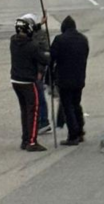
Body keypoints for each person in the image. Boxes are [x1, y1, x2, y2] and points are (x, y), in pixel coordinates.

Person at [10, 16, 50, 152]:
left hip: (15, 81)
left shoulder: (13, 41)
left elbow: (30, 31)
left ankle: (25, 139)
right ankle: (32, 141)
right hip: (28, 81)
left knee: (24, 111)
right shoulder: (31, 46)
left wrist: (39, 24)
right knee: (33, 111)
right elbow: (44, 60)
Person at [50, 16, 89, 146]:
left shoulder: (59, 40)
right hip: (79, 78)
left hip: (64, 79)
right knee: (76, 104)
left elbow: (51, 59)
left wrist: (49, 77)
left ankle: (73, 134)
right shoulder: (83, 39)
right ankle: (80, 130)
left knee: (68, 107)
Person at [21, 13, 51, 134]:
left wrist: (40, 71)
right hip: (28, 71)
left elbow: (44, 54)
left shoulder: (39, 35)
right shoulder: (31, 33)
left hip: (37, 71)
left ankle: (43, 121)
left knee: (39, 96)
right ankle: (37, 120)